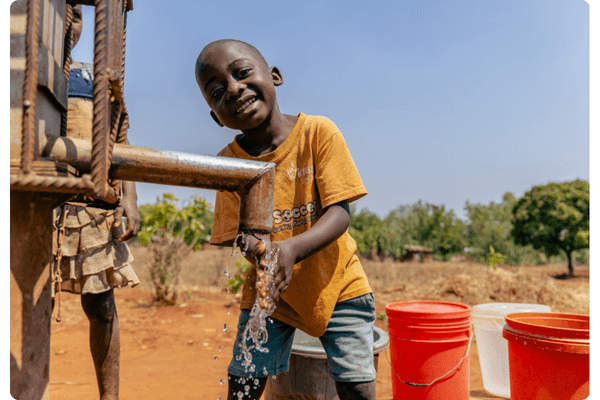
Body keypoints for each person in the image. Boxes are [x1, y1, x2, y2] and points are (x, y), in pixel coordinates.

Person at [195, 39, 376, 400]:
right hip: (269, 290)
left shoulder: (317, 133)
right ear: (216, 117)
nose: (233, 89)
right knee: (243, 382)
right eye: (216, 91)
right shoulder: (228, 164)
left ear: (274, 76)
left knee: (356, 384)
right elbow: (241, 236)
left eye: (242, 73)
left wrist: (291, 248)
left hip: (338, 283)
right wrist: (266, 253)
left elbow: (340, 212)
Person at [51, 5, 140, 400]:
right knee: (28, 308)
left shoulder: (91, 78)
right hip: (37, 206)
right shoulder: (19, 73)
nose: (71, 21)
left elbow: (121, 140)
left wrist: (131, 197)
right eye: (61, 10)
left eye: (78, 13)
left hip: (89, 209)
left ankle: (110, 396)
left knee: (101, 307)